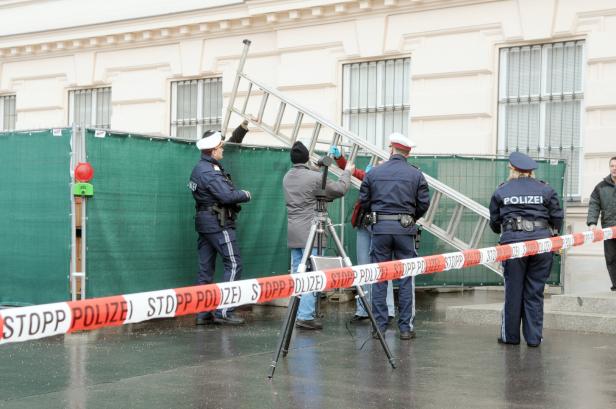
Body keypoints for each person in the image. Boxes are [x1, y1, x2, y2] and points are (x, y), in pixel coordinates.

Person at [359, 133, 430, 340]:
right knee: (406, 278)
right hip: (405, 230)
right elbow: (424, 203)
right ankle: (405, 328)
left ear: (391, 149)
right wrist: (409, 218)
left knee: (380, 278)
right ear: (407, 153)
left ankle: (379, 327)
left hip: (379, 230)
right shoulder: (416, 175)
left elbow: (364, 201)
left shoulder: (374, 173)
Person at [489, 152, 563, 347]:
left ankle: (511, 337)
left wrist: (505, 232)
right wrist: (552, 237)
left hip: (513, 245)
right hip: (542, 244)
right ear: (531, 172)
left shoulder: (502, 190)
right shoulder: (546, 189)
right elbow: (557, 217)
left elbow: (495, 222)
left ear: (512, 169)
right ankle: (533, 338)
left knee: (513, 291)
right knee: (535, 291)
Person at [283, 141, 354, 330]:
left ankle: (297, 313)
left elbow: (308, 185)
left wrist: (316, 168)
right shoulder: (314, 178)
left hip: (294, 231)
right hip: (310, 231)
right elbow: (339, 189)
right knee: (311, 274)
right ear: (307, 158)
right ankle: (306, 316)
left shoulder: (288, 177)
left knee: (298, 274)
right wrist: (347, 171)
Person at [188, 130, 252, 325]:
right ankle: (224, 310)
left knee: (205, 270)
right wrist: (245, 194)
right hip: (218, 223)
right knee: (234, 263)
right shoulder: (209, 171)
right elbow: (226, 196)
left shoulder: (201, 168)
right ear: (213, 149)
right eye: (221, 146)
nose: (223, 149)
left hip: (205, 222)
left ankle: (203, 313)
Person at [329, 147, 396, 323]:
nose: (377, 165)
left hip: (381, 225)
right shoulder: (371, 175)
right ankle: (363, 310)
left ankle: (387, 310)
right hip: (364, 223)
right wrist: (339, 158)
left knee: (383, 268)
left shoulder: (390, 178)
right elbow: (352, 170)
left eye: (381, 162)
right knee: (363, 268)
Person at [586, 156, 616, 291]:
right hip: (609, 229)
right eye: (612, 166)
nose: (614, 168)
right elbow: (594, 204)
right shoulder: (601, 186)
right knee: (611, 258)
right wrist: (592, 223)